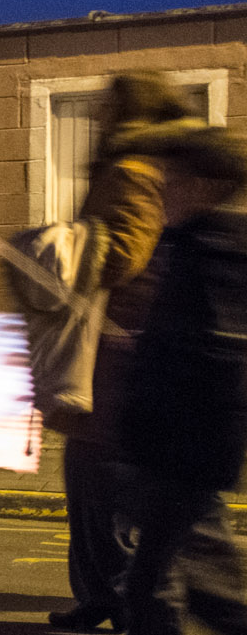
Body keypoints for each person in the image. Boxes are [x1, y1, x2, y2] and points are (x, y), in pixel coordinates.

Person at [46, 71, 206, 634]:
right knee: (86, 474)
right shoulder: (128, 166)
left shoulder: (134, 171)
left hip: (118, 349)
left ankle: (126, 599)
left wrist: (62, 247)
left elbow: (127, 255)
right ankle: (100, 595)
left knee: (105, 480)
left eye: (106, 106)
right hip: (110, 344)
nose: (95, 114)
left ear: (128, 112)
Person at [113, 127, 247, 635]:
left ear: (205, 184)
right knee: (187, 582)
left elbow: (219, 351)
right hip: (177, 443)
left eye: (171, 177)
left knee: (160, 589)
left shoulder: (219, 249)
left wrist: (157, 350)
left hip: (184, 445)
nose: (160, 188)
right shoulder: (188, 243)